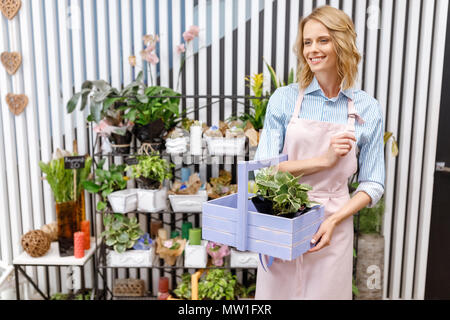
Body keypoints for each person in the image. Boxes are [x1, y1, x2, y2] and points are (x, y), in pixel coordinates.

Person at [254, 5, 385, 300]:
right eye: (307, 42)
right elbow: (264, 170)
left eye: (323, 40)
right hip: (283, 220)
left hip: (333, 228)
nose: (312, 49)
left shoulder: (366, 108)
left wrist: (334, 220)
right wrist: (323, 160)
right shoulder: (284, 100)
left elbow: (373, 183)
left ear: (342, 43)